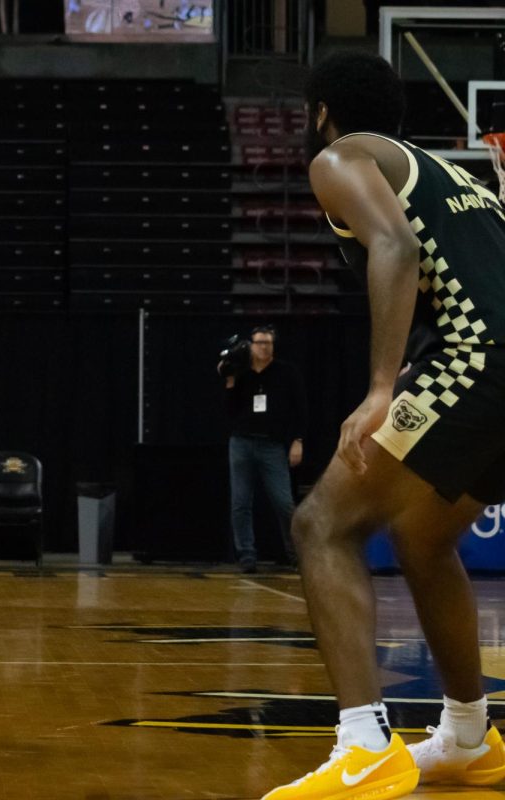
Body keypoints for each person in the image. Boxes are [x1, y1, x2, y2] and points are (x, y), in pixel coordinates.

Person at [261, 52, 505, 799]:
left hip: (479, 355)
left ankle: (363, 742)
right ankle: (469, 737)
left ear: (322, 113)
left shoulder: (342, 157)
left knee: (322, 525)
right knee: (423, 537)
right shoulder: (450, 174)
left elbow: (394, 250)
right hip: (493, 361)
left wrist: (377, 390)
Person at [219, 324, 307, 572]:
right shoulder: (242, 371)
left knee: (284, 502)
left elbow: (300, 409)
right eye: (259, 343)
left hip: (272, 444)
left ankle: (296, 553)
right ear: (252, 344)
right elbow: (228, 410)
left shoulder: (286, 372)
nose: (263, 347)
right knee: (241, 502)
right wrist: (230, 380)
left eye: (268, 343)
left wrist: (297, 440)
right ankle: (246, 554)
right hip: (241, 442)